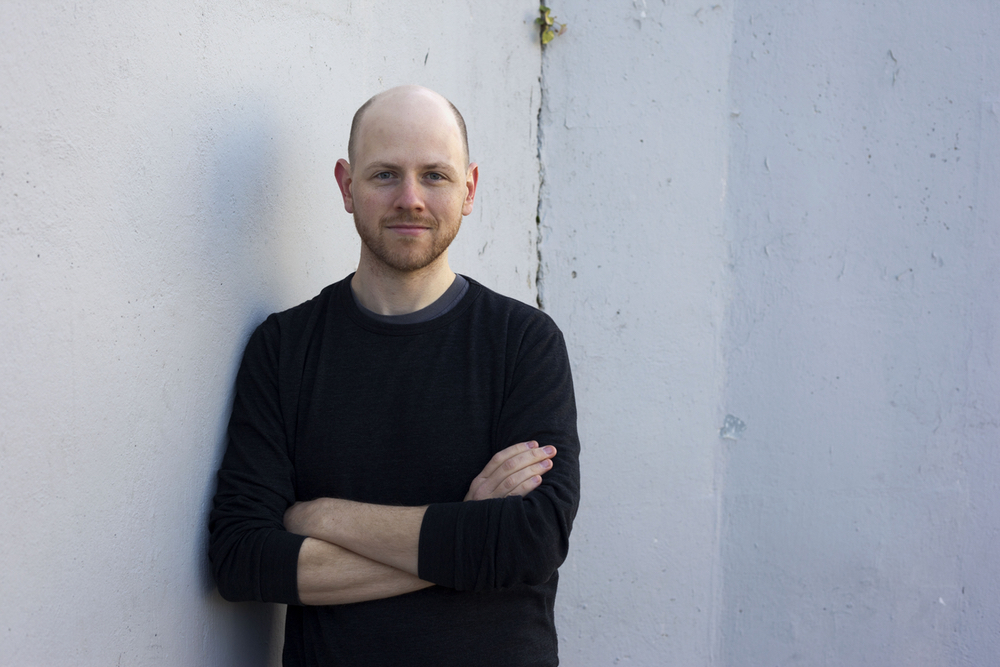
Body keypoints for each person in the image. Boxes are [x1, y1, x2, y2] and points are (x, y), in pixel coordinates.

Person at [208, 85, 580, 666]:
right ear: (346, 186)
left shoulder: (523, 343)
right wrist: (464, 539)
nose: (411, 198)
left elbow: (530, 542)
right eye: (385, 175)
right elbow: (242, 558)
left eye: (435, 175)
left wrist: (321, 517)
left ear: (470, 189)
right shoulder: (285, 347)